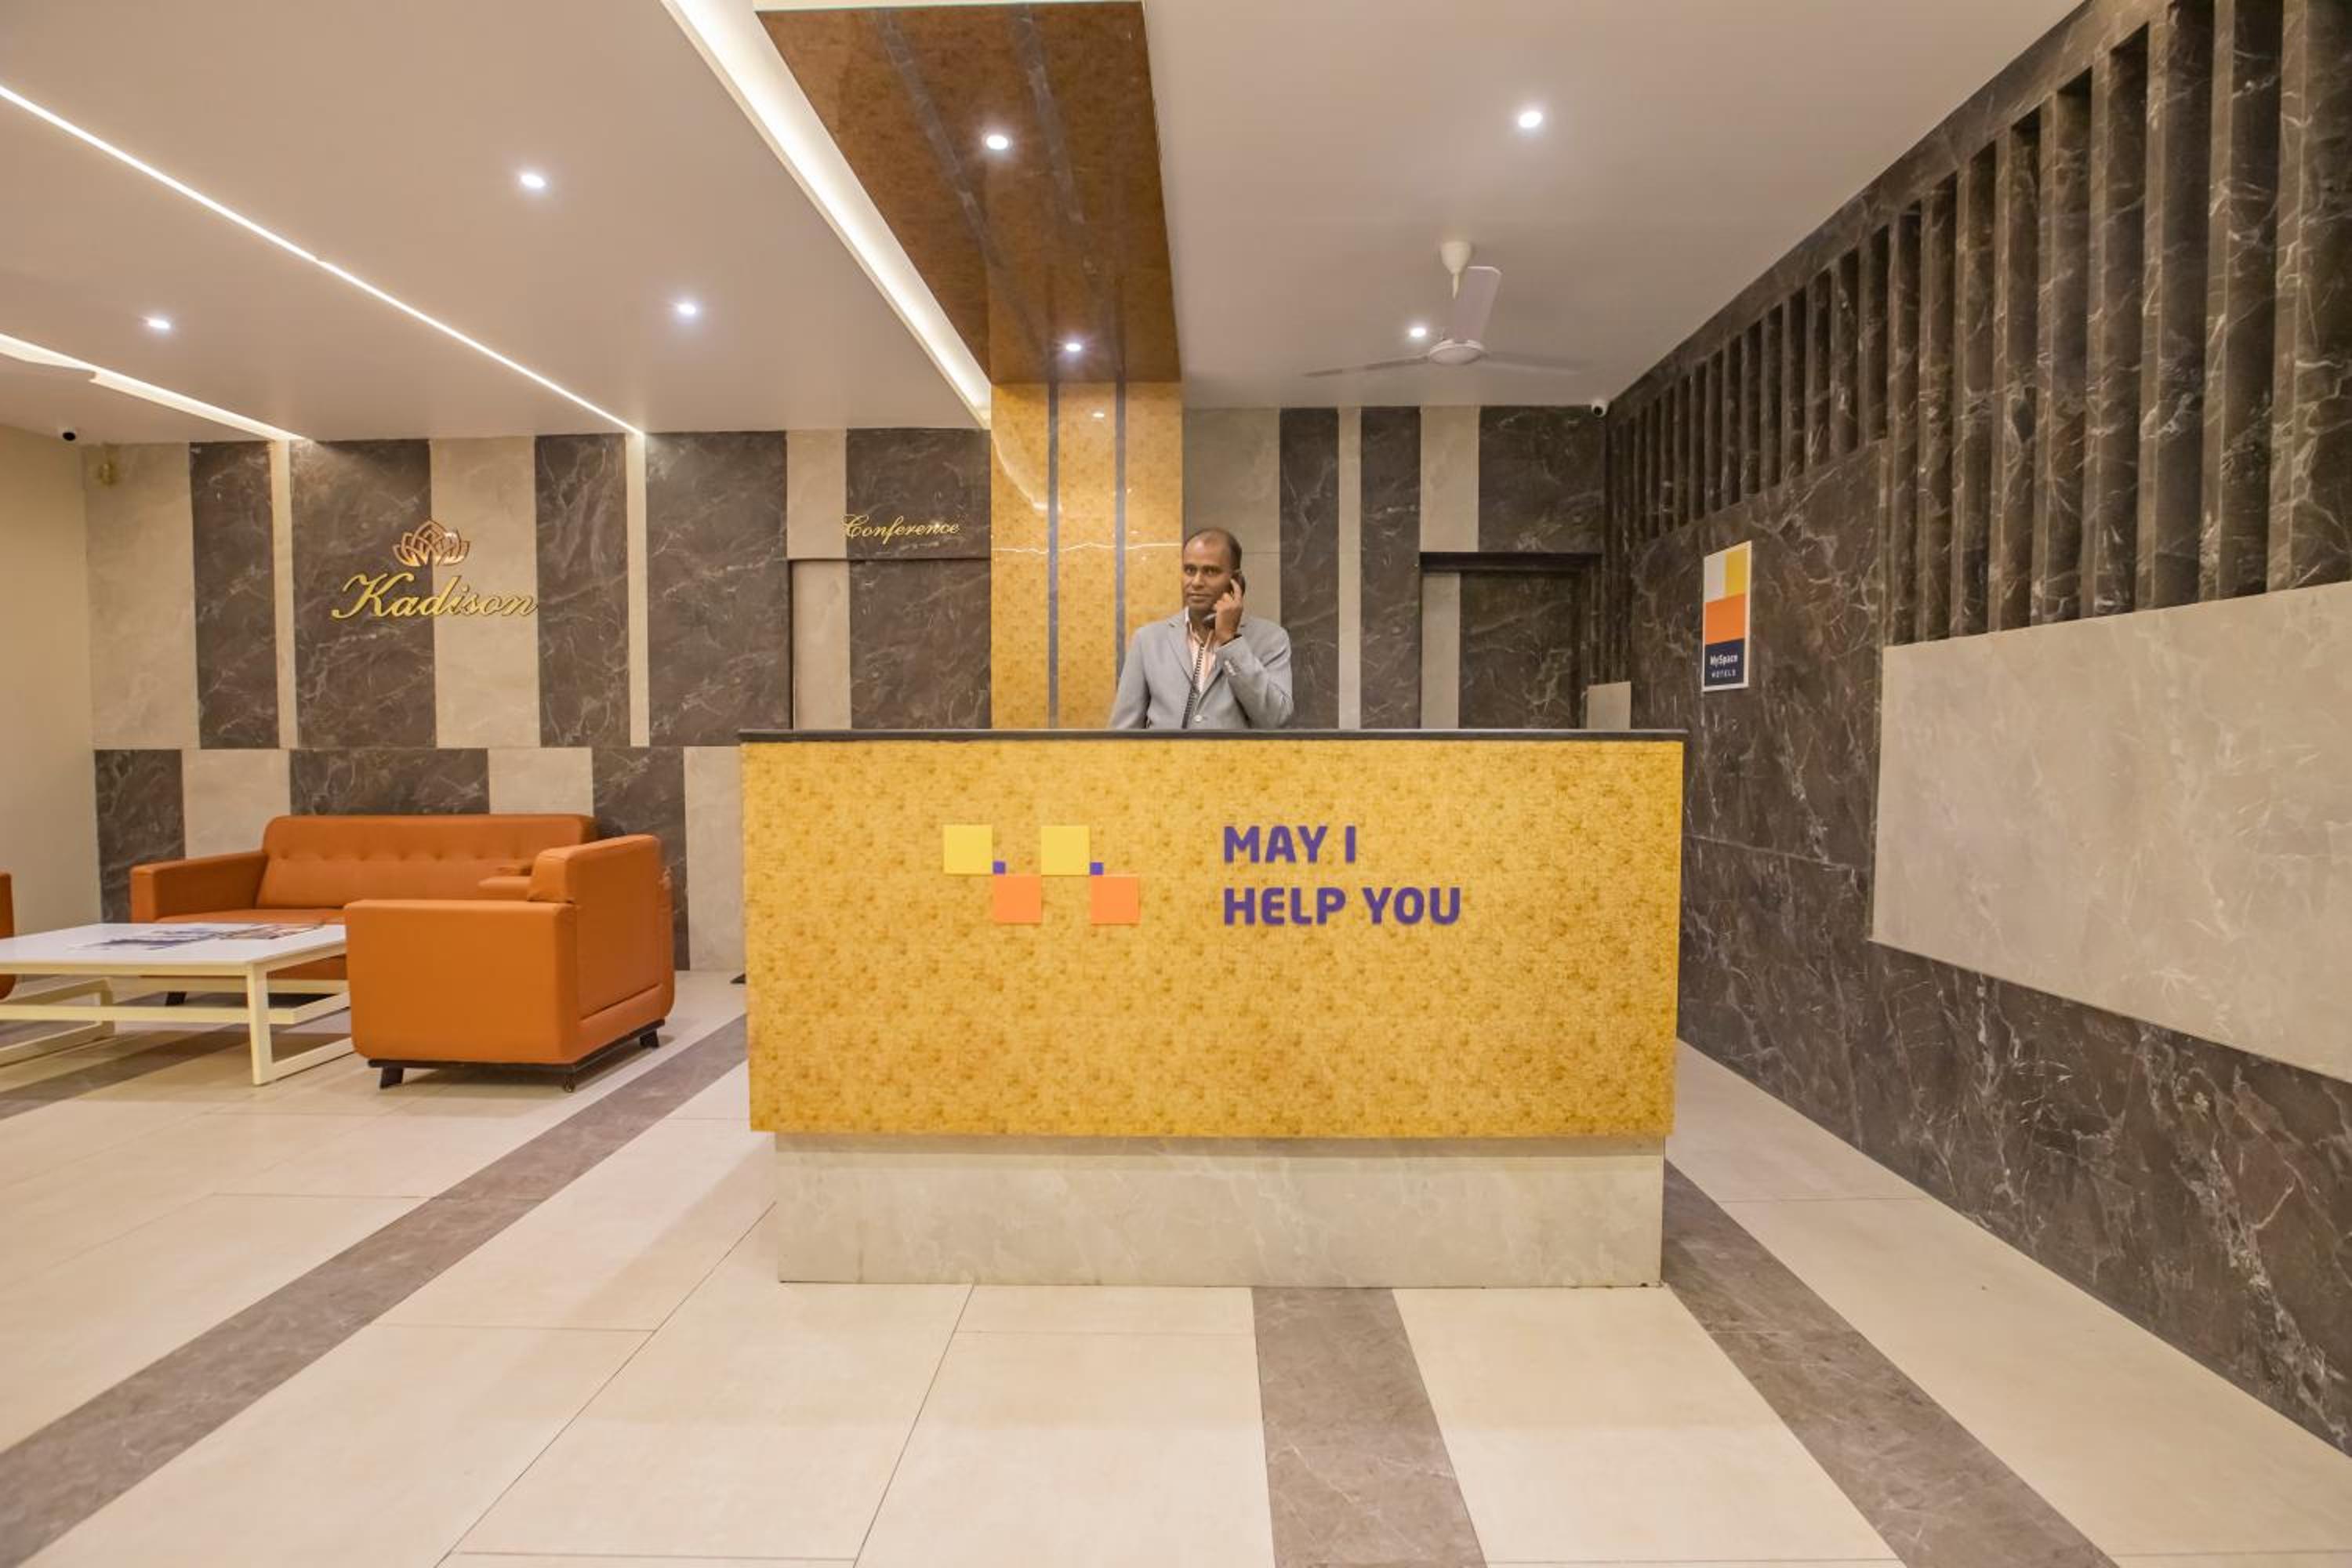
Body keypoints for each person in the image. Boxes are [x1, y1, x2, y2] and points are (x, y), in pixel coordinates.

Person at [1108, 528, 1294, 729]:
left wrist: (1230, 642)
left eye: (1210, 571)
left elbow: (1276, 719)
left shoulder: (1271, 638)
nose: (1196, 582)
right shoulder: (1147, 640)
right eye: (1189, 570)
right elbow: (1123, 733)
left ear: (1236, 581)